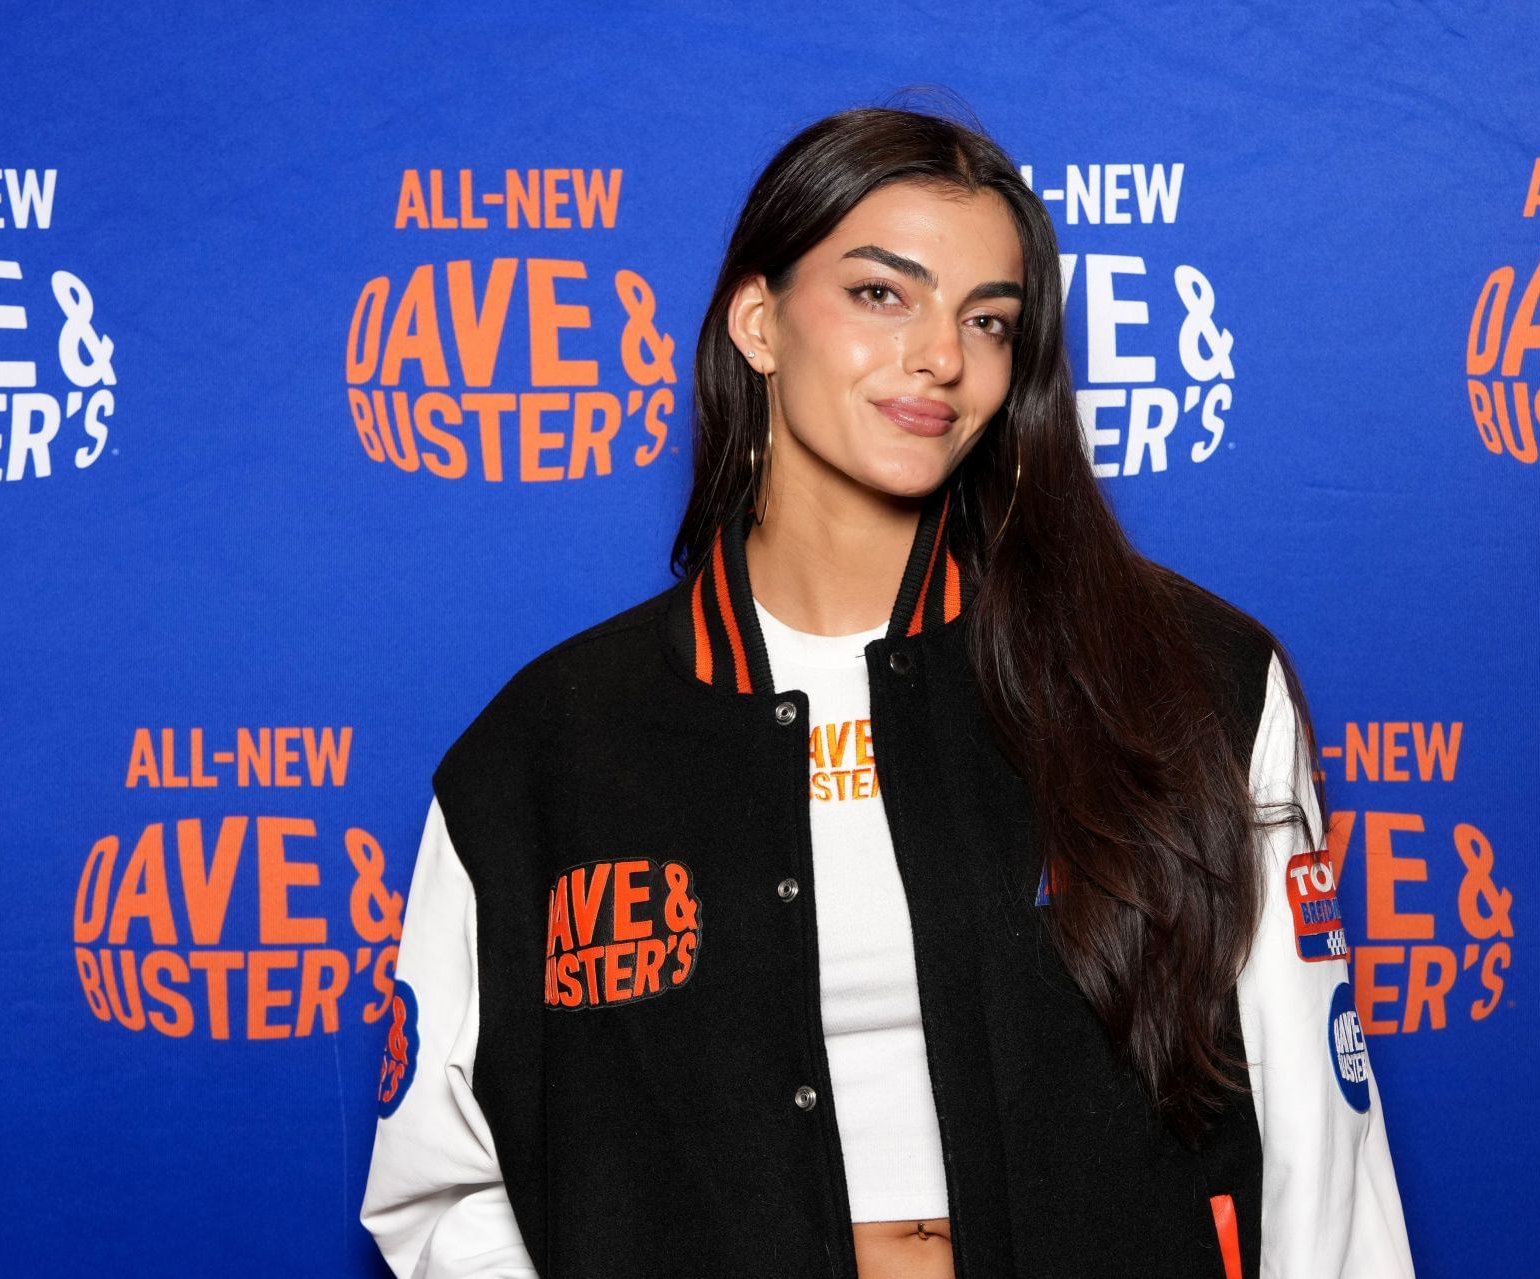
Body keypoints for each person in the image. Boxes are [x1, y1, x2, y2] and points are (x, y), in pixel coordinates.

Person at [360, 102, 1413, 1279]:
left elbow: (1323, 1149)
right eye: (881, 294)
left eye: (988, 319)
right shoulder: (546, 749)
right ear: (759, 321)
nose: (941, 356)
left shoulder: (1184, 678)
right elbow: (439, 1183)